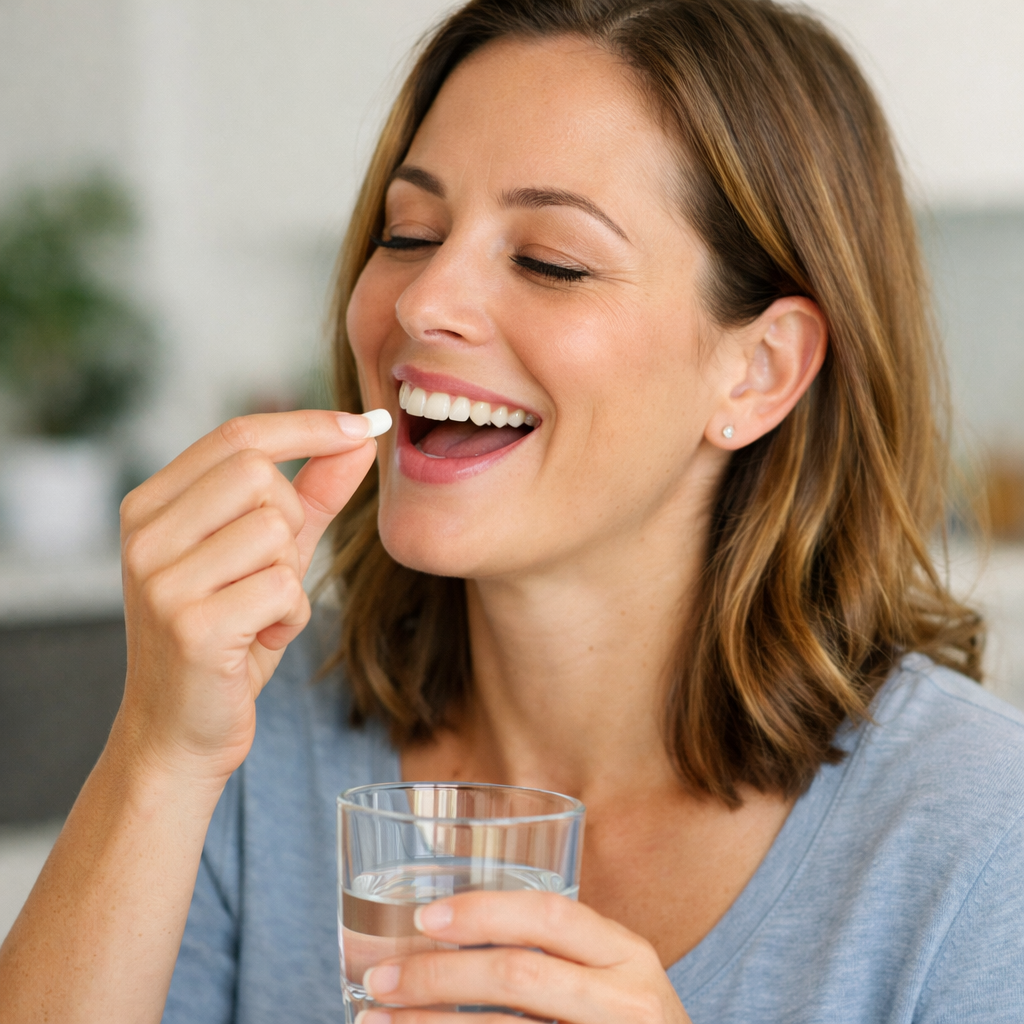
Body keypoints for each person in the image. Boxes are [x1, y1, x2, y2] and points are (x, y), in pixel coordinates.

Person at [2, 0, 1023, 1021]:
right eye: (409, 233)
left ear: (756, 372)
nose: (420, 300)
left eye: (550, 261)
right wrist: (157, 750)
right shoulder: (253, 740)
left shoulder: (978, 835)